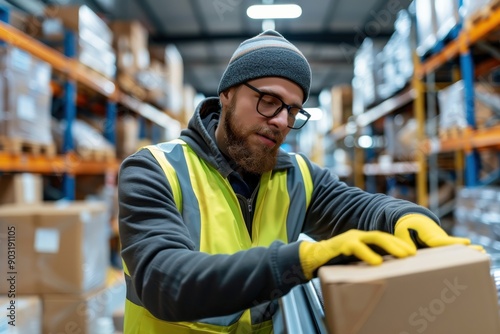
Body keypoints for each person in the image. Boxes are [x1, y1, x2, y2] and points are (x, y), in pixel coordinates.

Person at [118, 30, 474, 334]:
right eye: (268, 101)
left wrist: (408, 217)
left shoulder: (296, 176)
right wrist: (297, 261)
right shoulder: (155, 170)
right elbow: (164, 281)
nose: (280, 121)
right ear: (226, 94)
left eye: (292, 110)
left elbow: (362, 208)